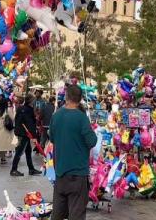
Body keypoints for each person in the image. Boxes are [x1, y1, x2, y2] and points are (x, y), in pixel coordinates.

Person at [49, 84, 97, 220]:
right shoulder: (82, 118)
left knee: (57, 213)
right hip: (78, 174)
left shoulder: (56, 116)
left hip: (60, 172)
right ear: (80, 99)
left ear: (66, 97)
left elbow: (52, 138)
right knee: (76, 213)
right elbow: (92, 141)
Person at [11, 94, 42, 177]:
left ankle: (31, 169)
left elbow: (17, 120)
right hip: (24, 133)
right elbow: (30, 124)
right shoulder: (28, 110)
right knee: (19, 151)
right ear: (31, 101)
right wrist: (34, 136)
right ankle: (13, 169)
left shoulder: (21, 108)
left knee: (28, 151)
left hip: (22, 132)